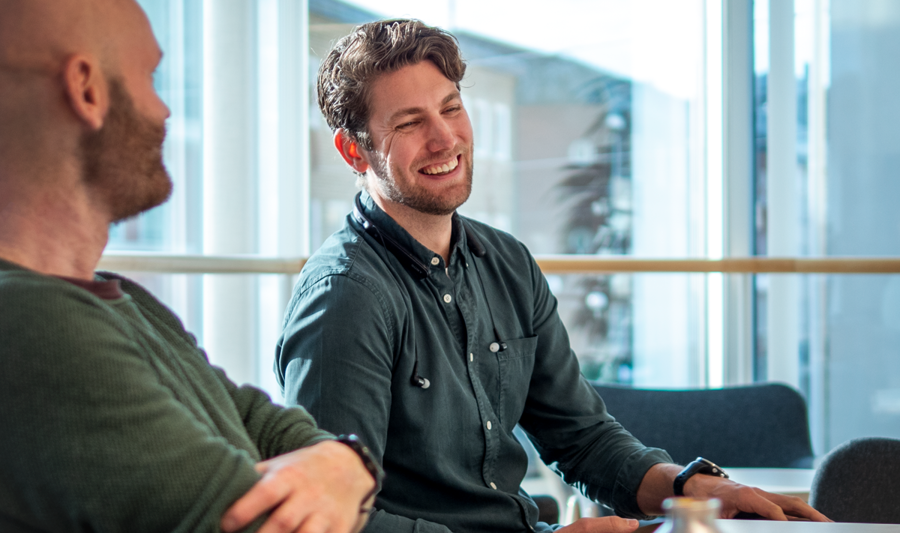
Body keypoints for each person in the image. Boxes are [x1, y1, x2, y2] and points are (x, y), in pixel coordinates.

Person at [274, 19, 830, 533]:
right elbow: (332, 521)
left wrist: (698, 488)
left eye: (450, 108)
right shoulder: (345, 296)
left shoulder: (507, 263)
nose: (445, 139)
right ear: (353, 150)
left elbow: (582, 439)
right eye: (410, 123)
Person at [0, 1, 380, 532]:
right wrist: (347, 467)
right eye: (149, 77)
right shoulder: (32, 324)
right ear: (87, 90)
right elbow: (263, 520)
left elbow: (259, 420)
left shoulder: (124, 301)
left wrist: (344, 461)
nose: (165, 110)